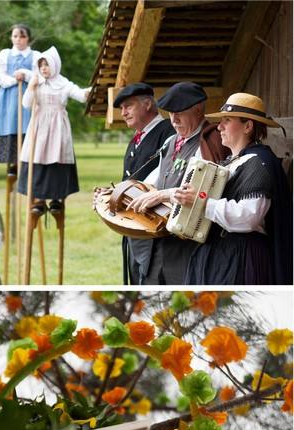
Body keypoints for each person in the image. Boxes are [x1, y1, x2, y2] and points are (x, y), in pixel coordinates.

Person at [184, 93, 292, 285]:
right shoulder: (233, 162)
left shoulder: (259, 162)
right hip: (224, 255)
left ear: (248, 126)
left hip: (242, 259)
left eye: (227, 120)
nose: (219, 127)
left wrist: (202, 202)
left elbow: (247, 217)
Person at [129, 82, 227, 284]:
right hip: (160, 240)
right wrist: (121, 192)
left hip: (189, 245)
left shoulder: (210, 139)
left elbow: (200, 191)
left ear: (198, 109)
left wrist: (162, 195)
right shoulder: (171, 141)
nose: (174, 119)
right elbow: (153, 181)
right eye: (171, 113)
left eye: (179, 112)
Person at [17, 46, 91, 216]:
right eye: (41, 65)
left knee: (56, 159)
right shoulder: (36, 82)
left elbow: (79, 94)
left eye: (47, 65)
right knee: (38, 158)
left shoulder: (63, 83)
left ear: (55, 65)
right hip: (38, 126)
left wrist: (90, 91)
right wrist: (32, 86)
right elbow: (26, 104)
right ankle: (39, 199)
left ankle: (57, 199)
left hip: (57, 127)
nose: (44, 68)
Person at [114, 82, 176, 284]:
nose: (123, 113)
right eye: (122, 108)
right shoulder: (136, 139)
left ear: (147, 104)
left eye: (128, 106)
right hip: (133, 224)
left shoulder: (168, 132)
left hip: (156, 228)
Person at [0, 23, 35, 172]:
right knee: (11, 123)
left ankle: (27, 164)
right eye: (15, 36)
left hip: (28, 95)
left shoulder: (35, 55)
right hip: (9, 97)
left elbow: (39, 75)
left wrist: (25, 76)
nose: (18, 39)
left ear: (28, 38)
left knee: (27, 125)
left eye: (22, 36)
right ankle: (13, 166)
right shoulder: (5, 54)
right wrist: (14, 80)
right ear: (11, 37)